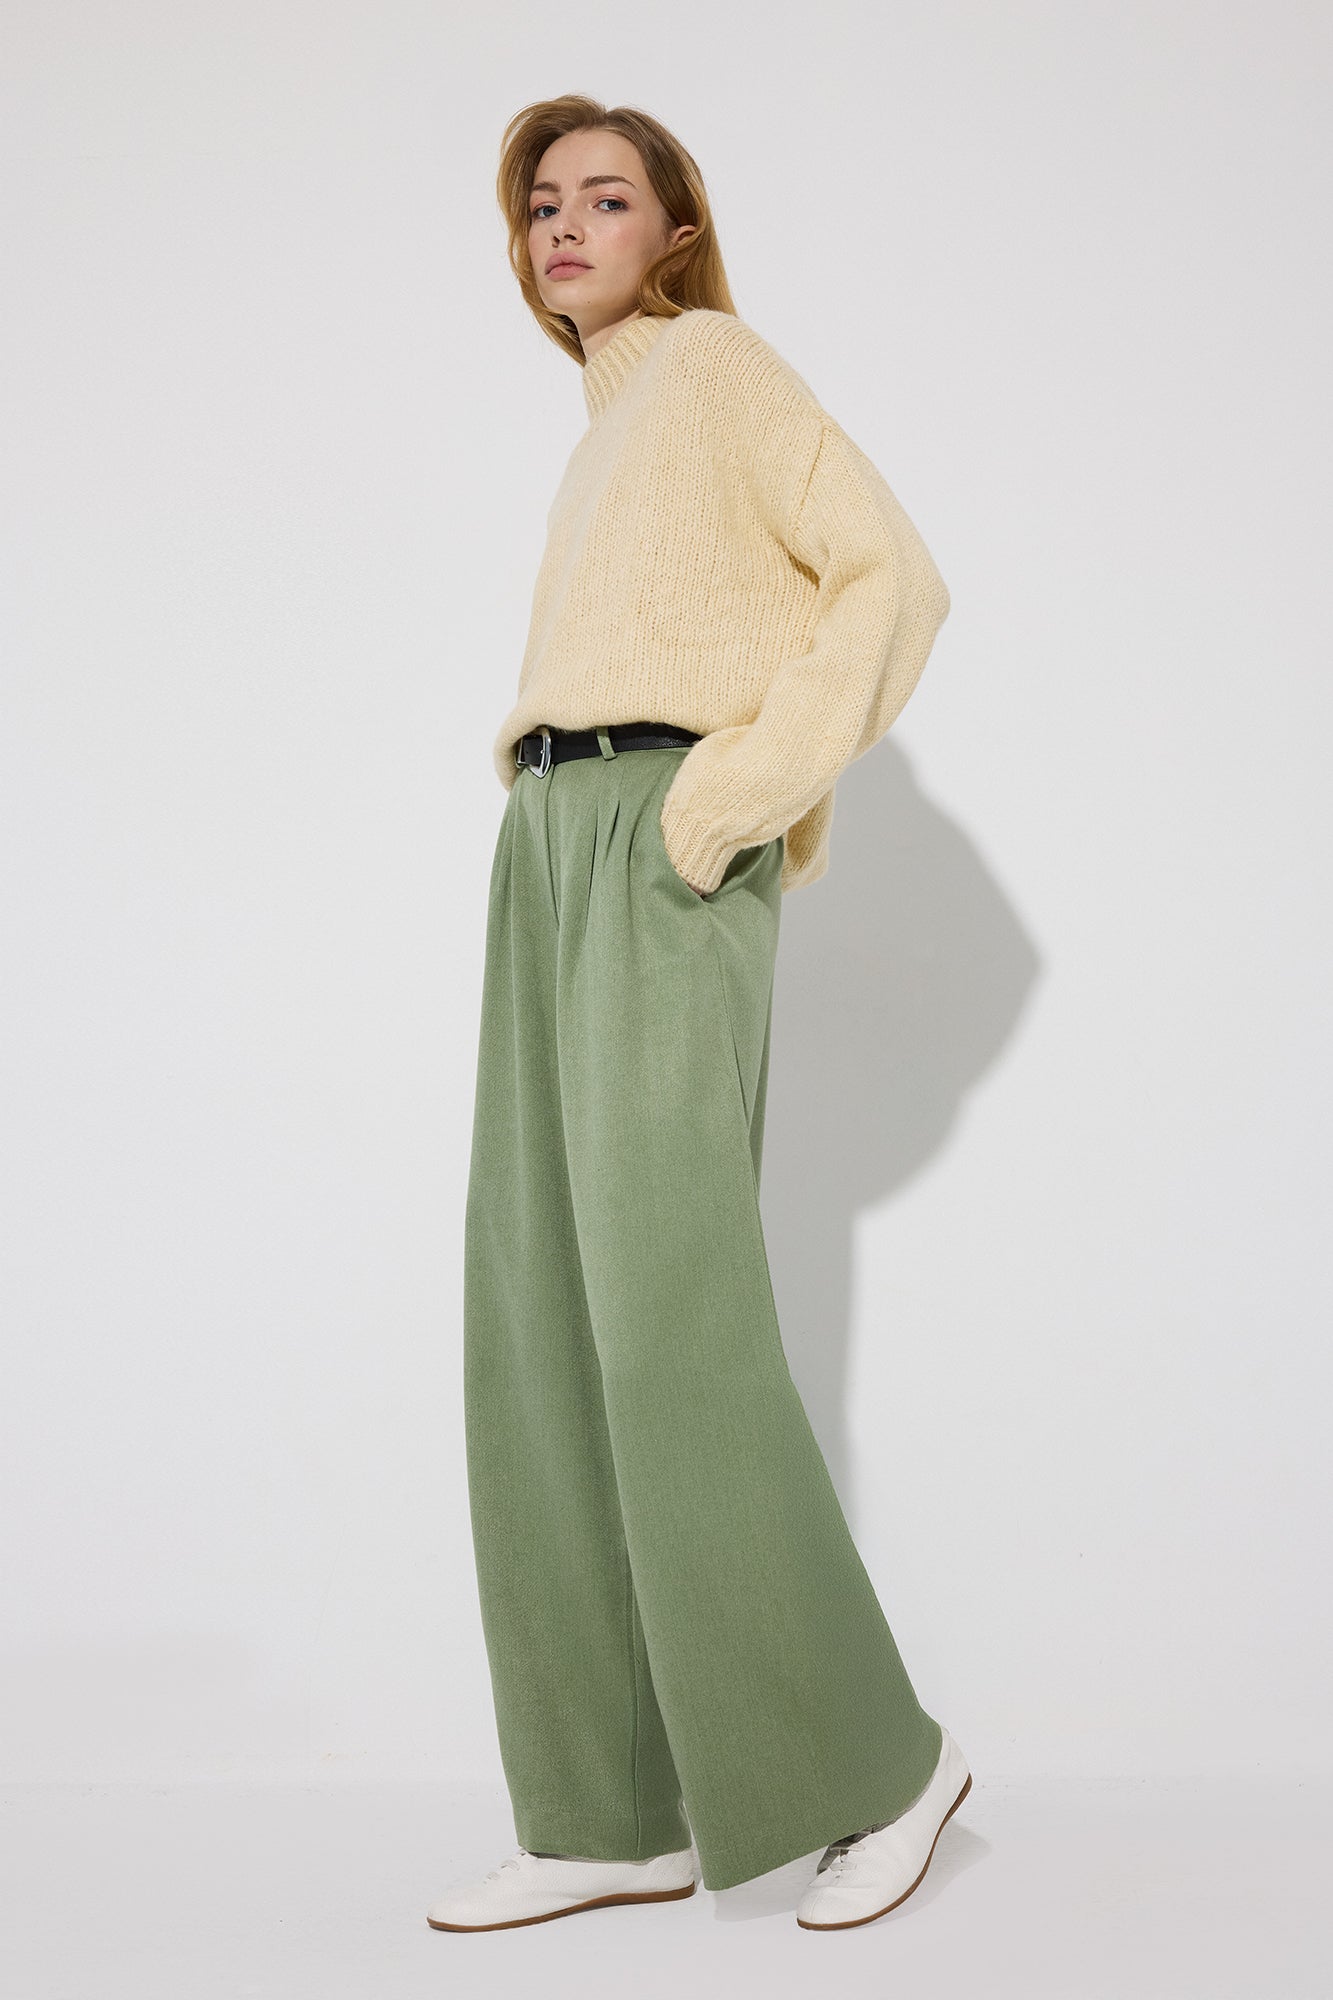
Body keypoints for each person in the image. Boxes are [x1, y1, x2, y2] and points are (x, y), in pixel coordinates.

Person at [427, 94, 970, 1936]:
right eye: (541, 205)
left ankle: (881, 1765)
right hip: (550, 836)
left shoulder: (717, 367)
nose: (564, 227)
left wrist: (733, 796)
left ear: (674, 231)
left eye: (605, 198)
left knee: (670, 1314)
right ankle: (610, 1807)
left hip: (666, 832)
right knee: (539, 1320)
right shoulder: (604, 430)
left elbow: (895, 577)